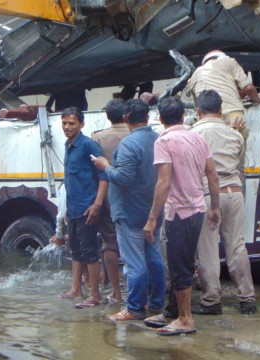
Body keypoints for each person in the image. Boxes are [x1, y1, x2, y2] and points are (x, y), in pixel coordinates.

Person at [142, 97, 221, 336]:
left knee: (180, 266)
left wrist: (152, 218)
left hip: (180, 211)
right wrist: (215, 207)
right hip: (197, 207)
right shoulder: (197, 138)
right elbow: (212, 175)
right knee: (181, 262)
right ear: (183, 116)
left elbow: (164, 182)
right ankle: (172, 312)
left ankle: (186, 319)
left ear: (160, 118)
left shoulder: (164, 140)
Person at [92, 99, 166, 320]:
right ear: (148, 117)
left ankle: (134, 308)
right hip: (153, 210)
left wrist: (106, 167)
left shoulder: (128, 144)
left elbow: (123, 178)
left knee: (135, 263)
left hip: (130, 212)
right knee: (154, 259)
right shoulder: (158, 139)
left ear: (126, 118)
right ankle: (156, 304)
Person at [190, 90, 256, 315]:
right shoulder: (235, 135)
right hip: (235, 193)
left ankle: (211, 300)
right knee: (236, 245)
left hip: (208, 194)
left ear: (198, 111)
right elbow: (238, 163)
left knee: (207, 249)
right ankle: (247, 298)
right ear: (221, 110)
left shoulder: (194, 134)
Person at [60, 107, 108, 308]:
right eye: (64, 123)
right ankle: (76, 289)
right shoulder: (68, 144)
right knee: (76, 250)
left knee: (90, 251)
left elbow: (104, 177)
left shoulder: (89, 146)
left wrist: (97, 204)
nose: (67, 127)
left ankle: (95, 295)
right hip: (73, 208)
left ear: (81, 124)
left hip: (88, 208)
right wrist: (66, 211)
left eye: (71, 123)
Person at [91, 99, 130, 304]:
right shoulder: (135, 134)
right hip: (136, 194)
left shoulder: (98, 137)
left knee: (110, 242)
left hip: (108, 195)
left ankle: (116, 291)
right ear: (126, 115)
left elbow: (96, 170)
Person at [188, 50, 260, 133]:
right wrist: (257, 99)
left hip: (209, 119)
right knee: (237, 142)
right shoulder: (228, 61)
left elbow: (197, 104)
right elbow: (248, 88)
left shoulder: (194, 76)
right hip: (233, 114)